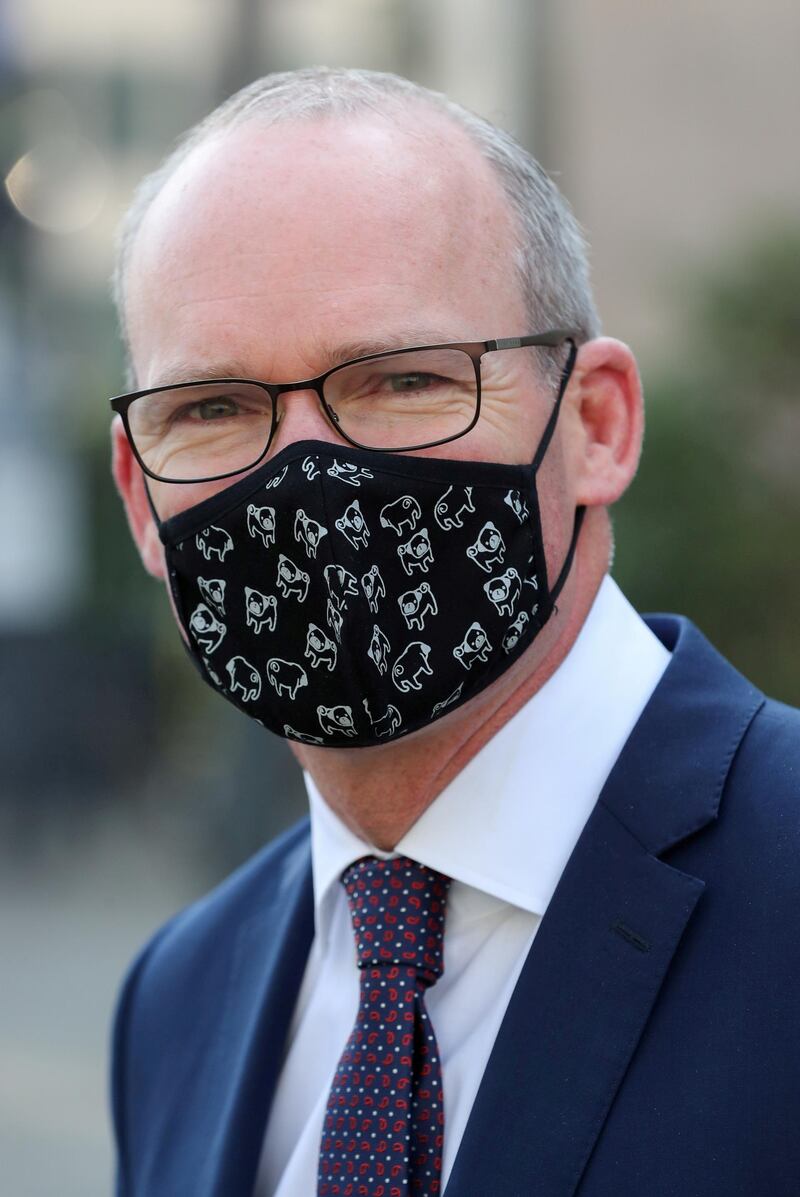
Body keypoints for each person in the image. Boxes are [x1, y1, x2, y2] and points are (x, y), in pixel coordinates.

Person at [108, 68, 799, 1197]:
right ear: (141, 499)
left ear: (595, 424)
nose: (304, 478)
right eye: (214, 407)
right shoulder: (177, 998)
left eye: (400, 382)